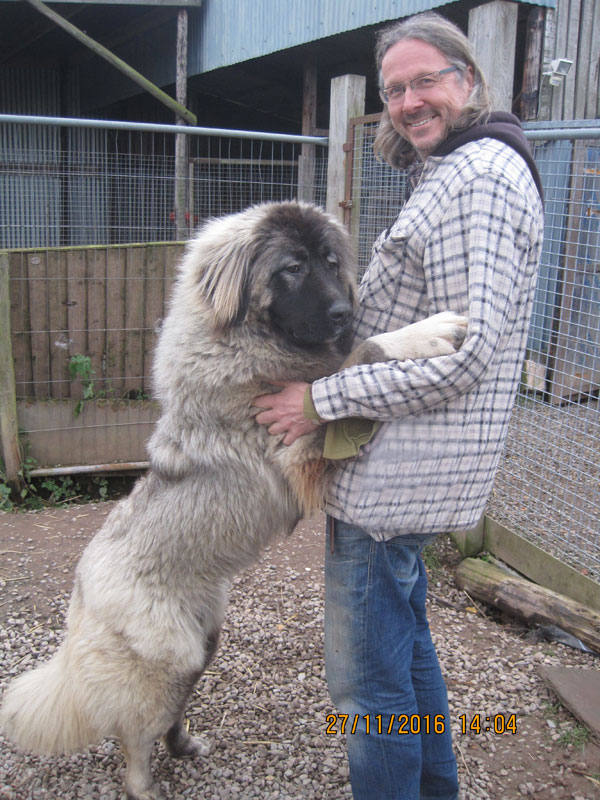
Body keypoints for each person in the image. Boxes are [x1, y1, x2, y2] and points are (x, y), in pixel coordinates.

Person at [254, 11, 544, 800]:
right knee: (407, 650)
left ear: (468, 80)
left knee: (365, 687)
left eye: (425, 81)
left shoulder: (479, 177)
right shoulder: (453, 170)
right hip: (399, 472)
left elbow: (465, 353)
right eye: (394, 90)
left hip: (395, 480)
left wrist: (320, 397)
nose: (409, 101)